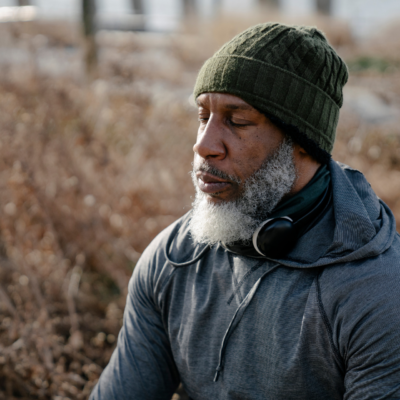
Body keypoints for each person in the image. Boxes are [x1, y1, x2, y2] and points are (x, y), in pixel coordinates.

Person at [90, 23, 400, 400]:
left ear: (301, 141)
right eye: (203, 116)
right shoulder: (172, 259)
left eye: (237, 121)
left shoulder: (377, 291)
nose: (203, 145)